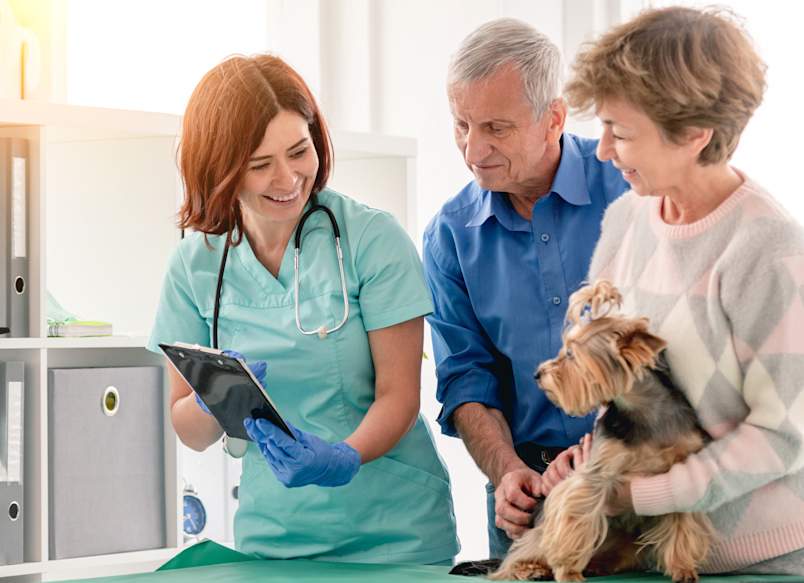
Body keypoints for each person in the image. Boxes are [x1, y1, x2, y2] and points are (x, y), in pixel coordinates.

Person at [148, 54, 459, 564]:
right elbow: (187, 428)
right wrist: (213, 401)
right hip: (275, 536)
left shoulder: (371, 239)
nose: (289, 178)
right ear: (220, 169)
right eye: (260, 165)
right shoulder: (195, 265)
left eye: (299, 151)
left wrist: (344, 456)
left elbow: (399, 395)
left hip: (395, 532)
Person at [563, 6, 804, 575]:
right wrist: (592, 460)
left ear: (695, 135)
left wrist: (642, 495)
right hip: (650, 553)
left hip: (756, 561)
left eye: (619, 132)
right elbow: (619, 387)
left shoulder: (769, 251)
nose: (601, 151)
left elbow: (784, 434)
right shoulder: (626, 218)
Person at [422, 18, 628, 558]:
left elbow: (673, 349)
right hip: (530, 507)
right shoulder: (449, 235)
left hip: (639, 483)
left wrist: (600, 455)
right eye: (461, 124)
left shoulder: (629, 187)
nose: (473, 149)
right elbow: (466, 379)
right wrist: (506, 470)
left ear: (553, 119)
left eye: (496, 127)